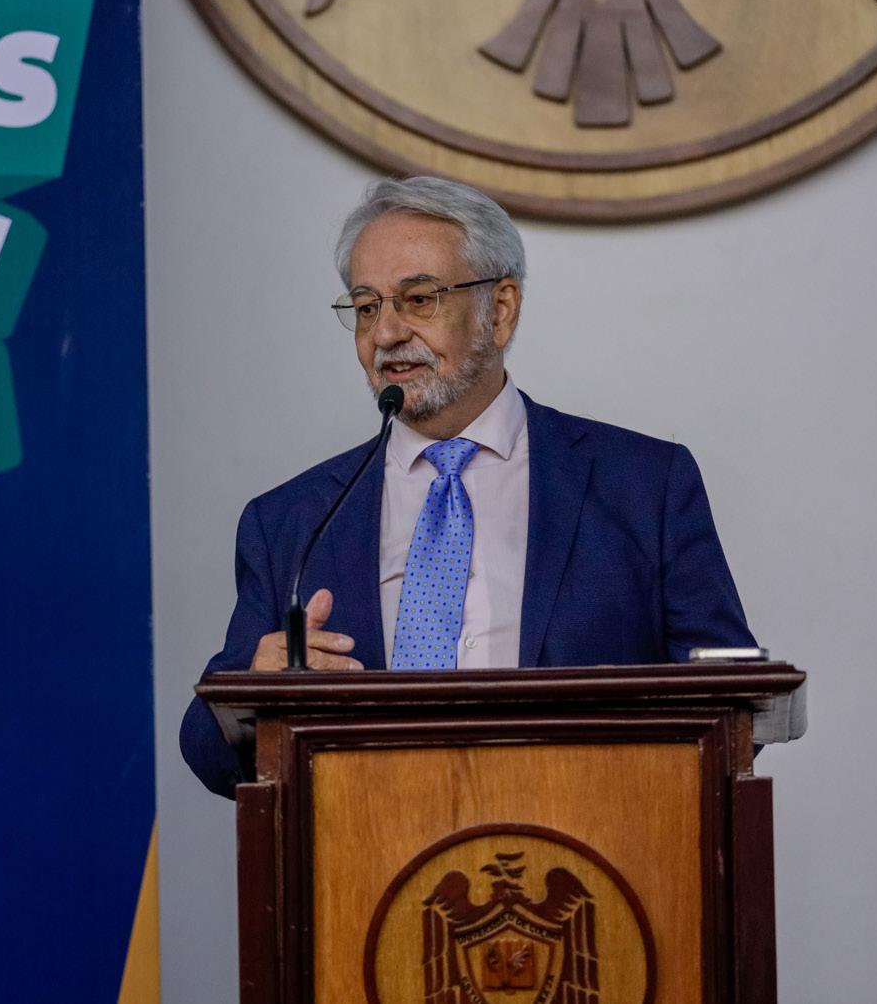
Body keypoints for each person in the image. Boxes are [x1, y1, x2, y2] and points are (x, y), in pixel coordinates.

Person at [179, 176, 756, 797]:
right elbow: (208, 752)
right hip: (370, 846)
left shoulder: (644, 488)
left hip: (587, 837)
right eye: (367, 307)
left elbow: (733, 706)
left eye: (418, 299)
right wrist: (253, 695)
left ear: (500, 310)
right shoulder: (291, 522)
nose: (386, 334)